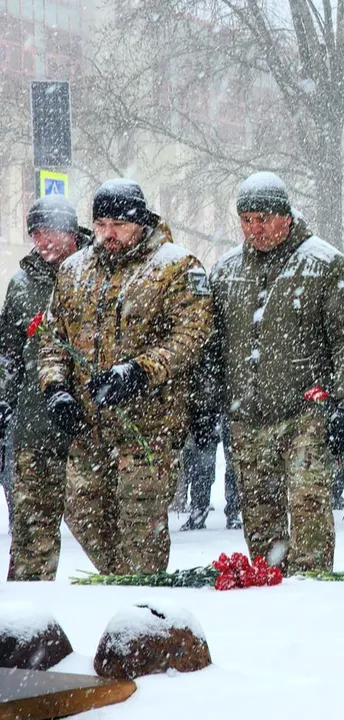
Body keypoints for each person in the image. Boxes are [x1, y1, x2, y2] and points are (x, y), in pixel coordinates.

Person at [38, 180, 213, 574]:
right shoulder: (74, 270)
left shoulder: (175, 266)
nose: (108, 234)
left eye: (118, 224)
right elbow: (52, 337)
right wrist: (56, 389)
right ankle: (123, 583)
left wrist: (139, 371)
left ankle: (140, 603)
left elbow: (191, 334)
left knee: (140, 526)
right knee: (81, 511)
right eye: (100, 223)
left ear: (140, 222)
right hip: (89, 427)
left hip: (147, 429)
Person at [207, 172, 344, 573]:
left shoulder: (325, 265)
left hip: (307, 414)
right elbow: (212, 345)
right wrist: (207, 400)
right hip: (248, 416)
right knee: (260, 517)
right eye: (247, 220)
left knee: (309, 508)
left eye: (263, 218)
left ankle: (312, 588)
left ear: (286, 216)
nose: (255, 228)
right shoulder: (226, 272)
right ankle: (268, 588)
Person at [3, 196, 87, 579]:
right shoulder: (21, 284)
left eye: (53, 230)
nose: (45, 240)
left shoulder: (93, 272)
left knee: (102, 532)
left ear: (72, 232)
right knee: (31, 537)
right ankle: (27, 617)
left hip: (87, 427)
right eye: (37, 232)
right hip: (35, 427)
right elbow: (8, 353)